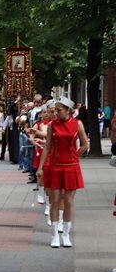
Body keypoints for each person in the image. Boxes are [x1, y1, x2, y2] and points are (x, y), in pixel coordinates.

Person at [37, 96, 88, 248]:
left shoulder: (77, 124)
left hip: (71, 166)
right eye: (56, 110)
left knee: (69, 202)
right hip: (55, 166)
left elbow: (85, 144)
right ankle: (54, 235)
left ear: (69, 111)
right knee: (54, 201)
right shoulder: (53, 125)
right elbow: (47, 147)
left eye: (59, 110)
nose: (56, 113)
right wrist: (40, 167)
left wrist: (75, 156)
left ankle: (66, 234)